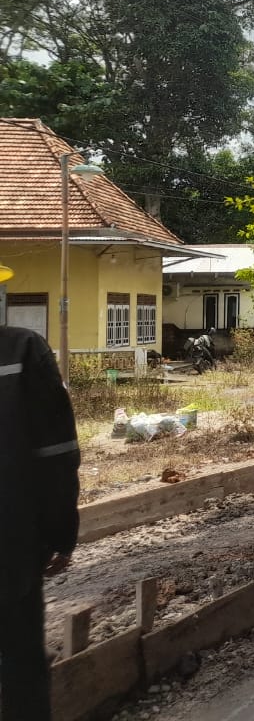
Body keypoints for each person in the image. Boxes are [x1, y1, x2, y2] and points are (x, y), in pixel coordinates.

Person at [0, 262, 80, 720]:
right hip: (10, 539)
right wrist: (60, 533)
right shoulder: (22, 350)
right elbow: (56, 452)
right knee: (22, 661)